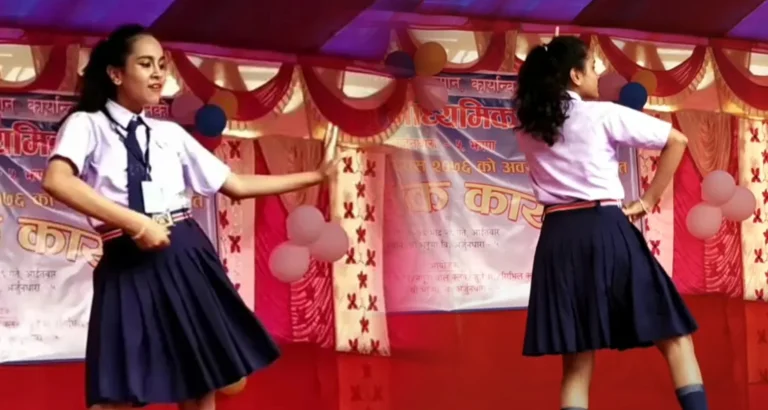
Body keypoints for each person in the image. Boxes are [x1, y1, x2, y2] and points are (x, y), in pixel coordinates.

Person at [42, 24, 337, 410]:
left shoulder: (170, 134)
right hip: (126, 259)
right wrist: (137, 223)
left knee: (200, 385)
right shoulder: (87, 124)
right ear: (116, 73)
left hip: (183, 253)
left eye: (161, 65)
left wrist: (315, 175)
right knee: (117, 391)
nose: (157, 74)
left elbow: (235, 185)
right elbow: (57, 180)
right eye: (145, 64)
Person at [513, 36, 706, 410]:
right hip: (604, 227)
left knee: (576, 361)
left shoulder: (528, 127)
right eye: (592, 66)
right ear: (574, 75)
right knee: (676, 337)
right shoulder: (601, 114)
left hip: (558, 237)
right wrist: (648, 200)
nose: (598, 74)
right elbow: (677, 140)